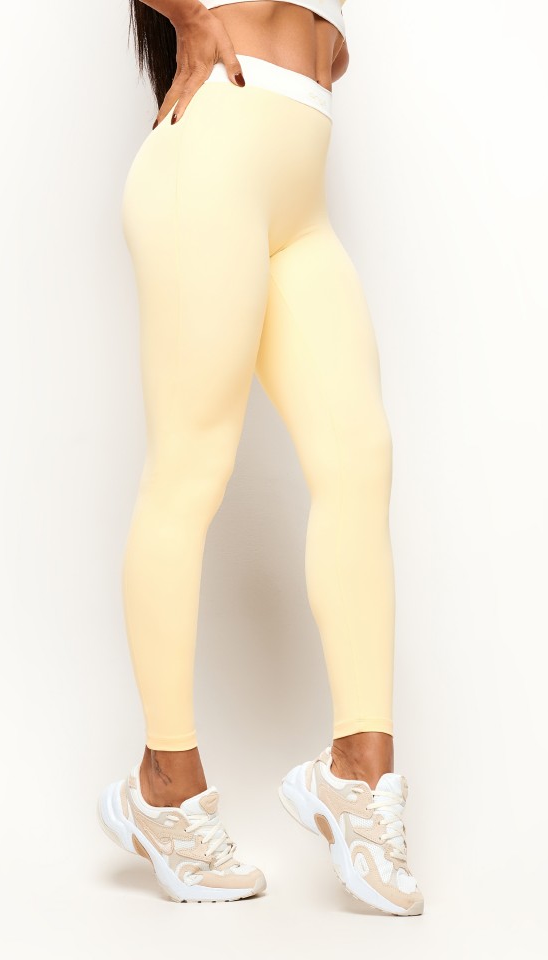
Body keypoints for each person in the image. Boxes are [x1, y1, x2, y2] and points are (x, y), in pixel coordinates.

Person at [97, 0, 424, 915]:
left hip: (298, 183)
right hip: (211, 159)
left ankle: (357, 776)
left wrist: (322, 38)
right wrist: (187, 15)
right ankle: (165, 787)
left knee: (359, 457)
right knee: (190, 470)